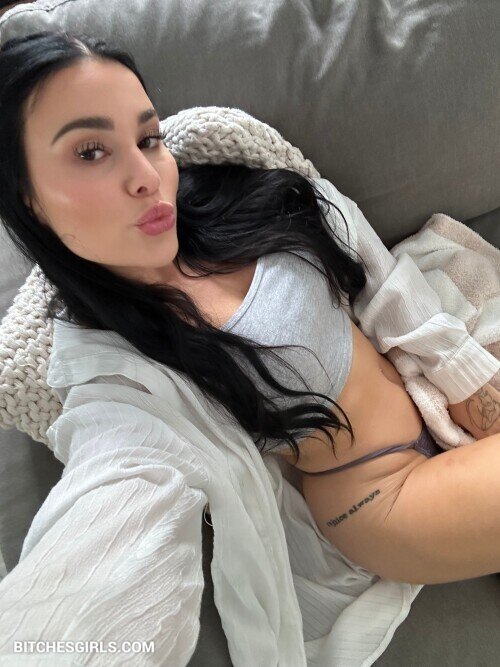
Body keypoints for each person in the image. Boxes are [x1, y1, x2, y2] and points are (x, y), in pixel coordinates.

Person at [0, 28, 499, 661]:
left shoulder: (229, 188)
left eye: (147, 139)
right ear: (28, 198)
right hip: (384, 497)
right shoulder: (115, 371)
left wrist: (465, 378)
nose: (146, 177)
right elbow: (114, 516)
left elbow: (369, 268)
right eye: (91, 151)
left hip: (431, 380)